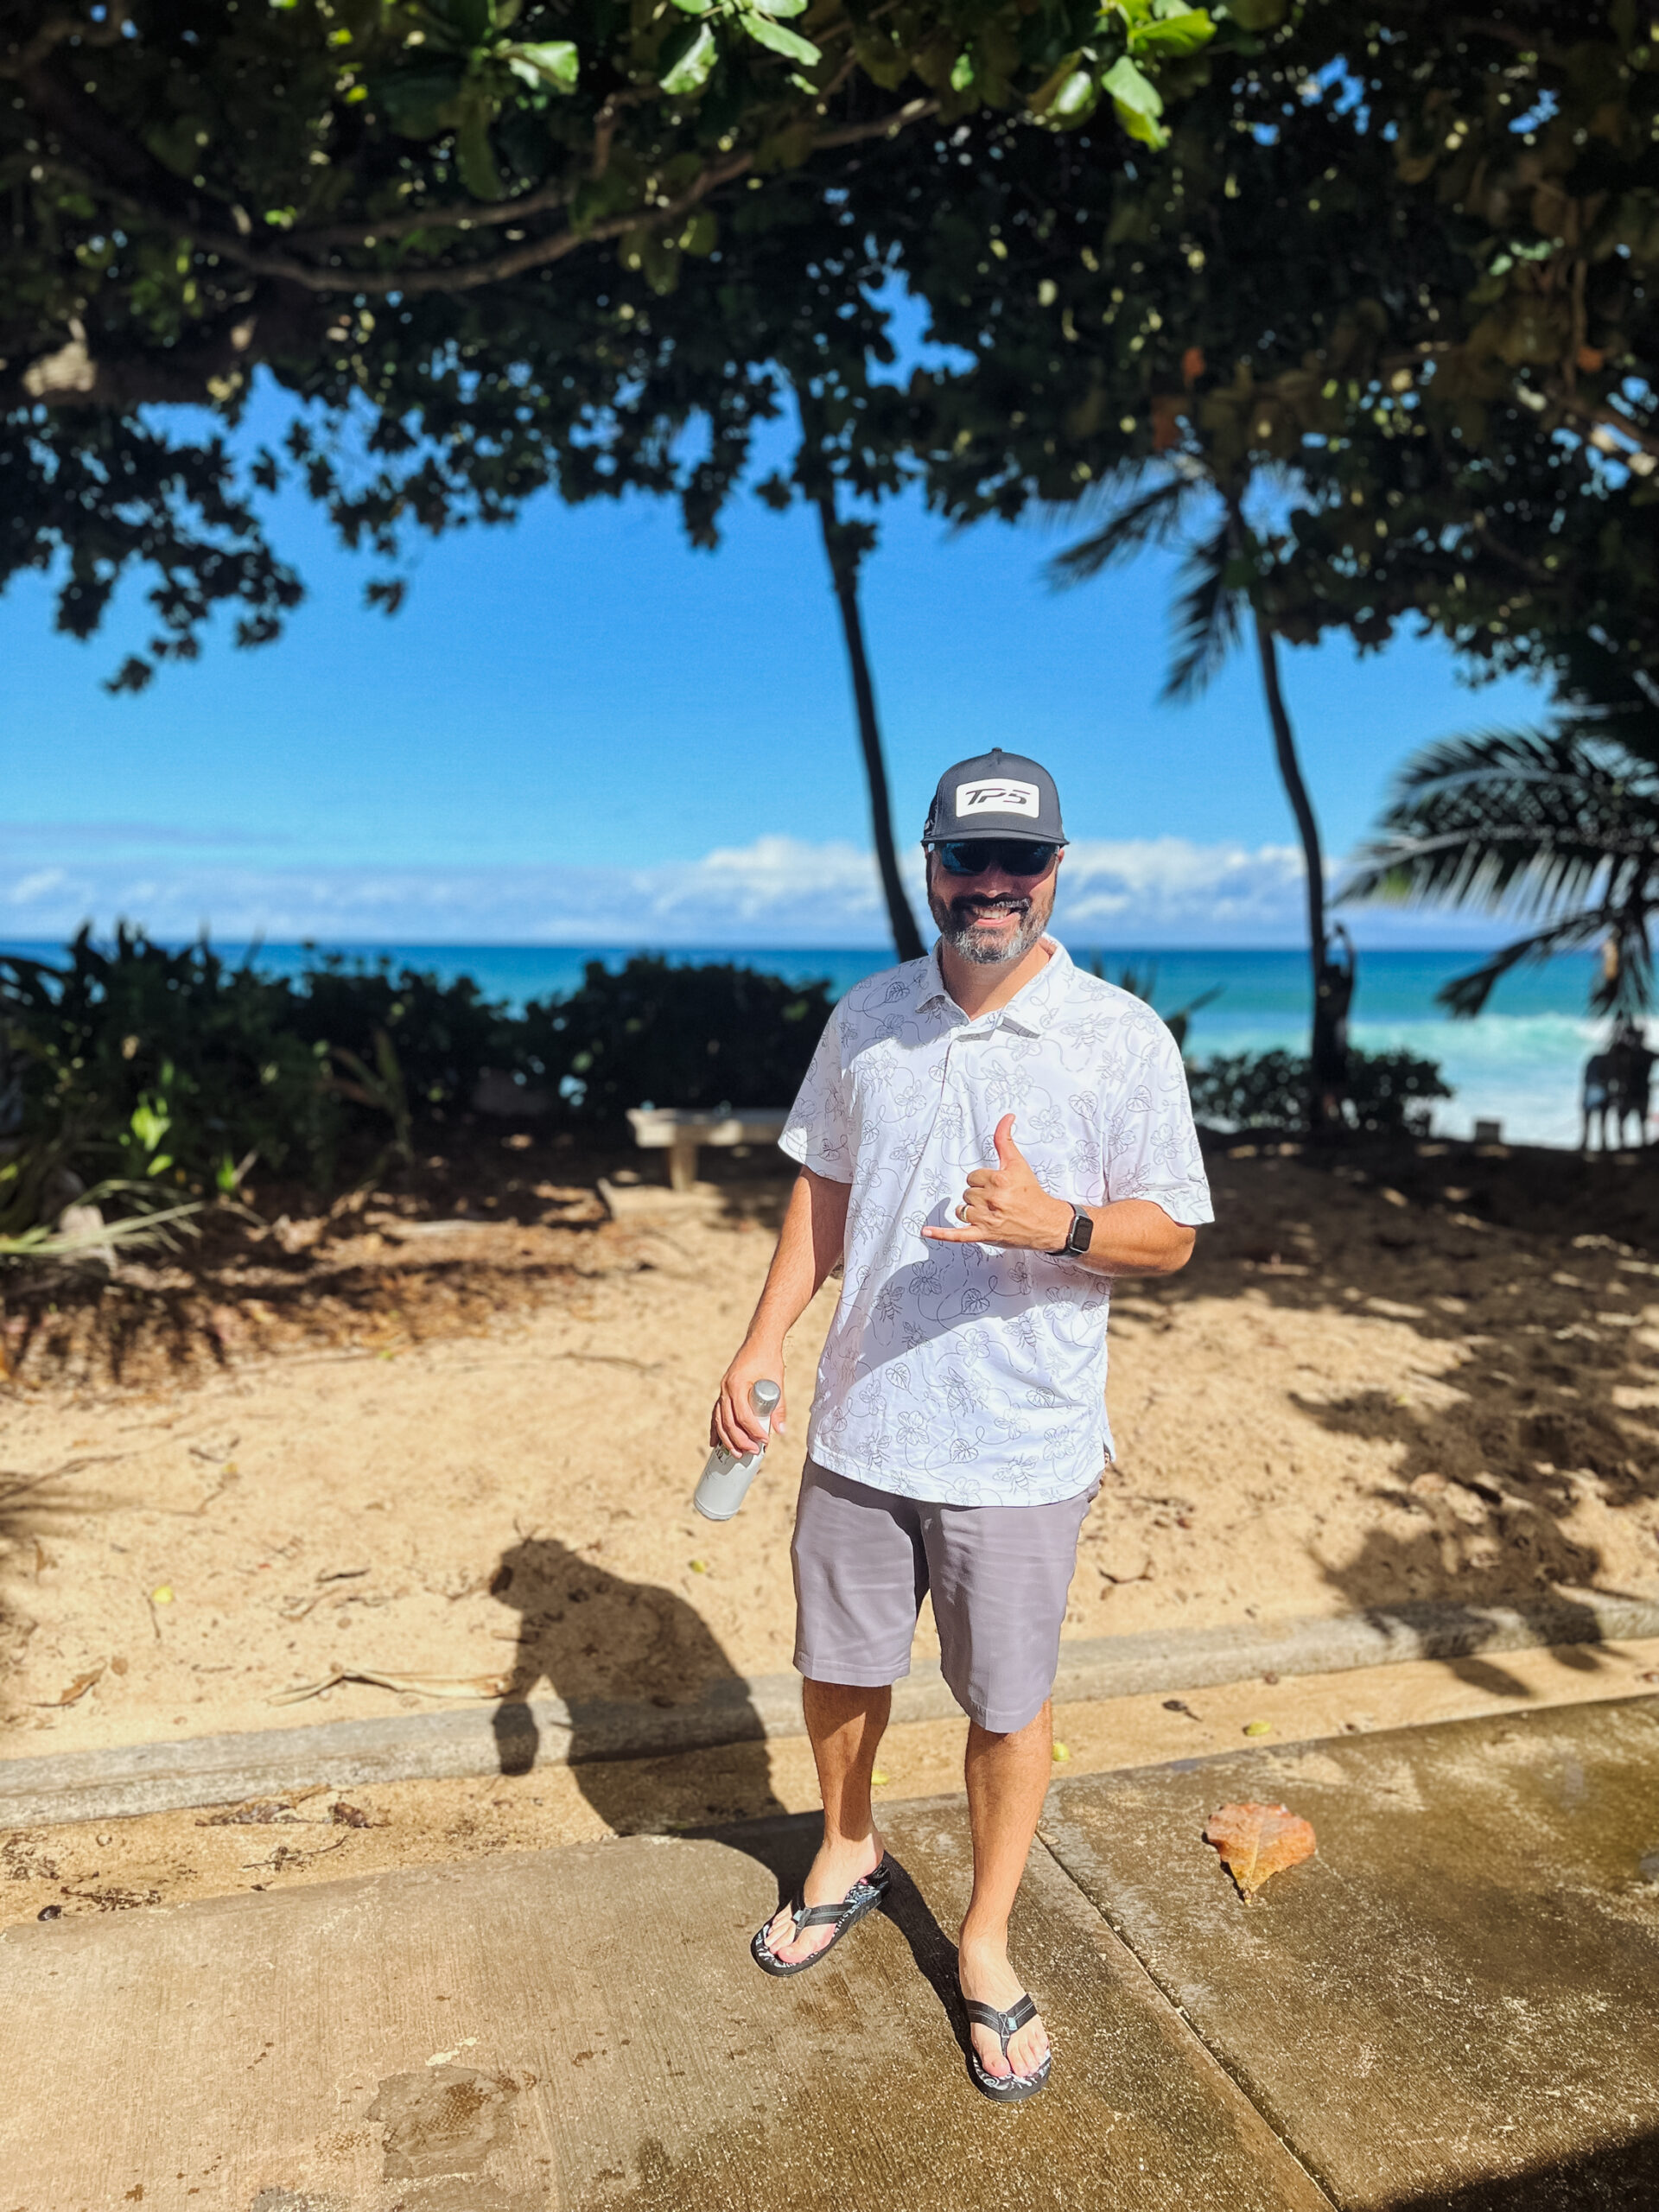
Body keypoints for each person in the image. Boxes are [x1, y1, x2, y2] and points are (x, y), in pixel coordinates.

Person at [709, 747, 1212, 2102]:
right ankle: (849, 1848)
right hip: (862, 1421)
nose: (991, 886)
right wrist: (763, 1341)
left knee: (1007, 1704)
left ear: (1058, 870)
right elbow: (822, 1191)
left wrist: (1061, 1225)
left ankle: (984, 1942)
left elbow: (1172, 1236)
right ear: (927, 864)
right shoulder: (866, 1017)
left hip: (1020, 1443)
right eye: (966, 860)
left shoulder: (1119, 1037)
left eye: (1020, 863)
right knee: (840, 1669)